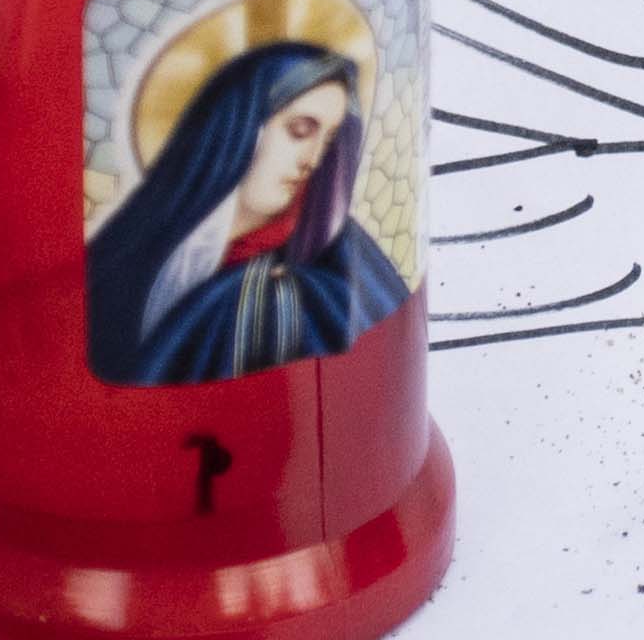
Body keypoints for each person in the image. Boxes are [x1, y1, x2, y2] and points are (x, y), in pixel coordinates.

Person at [84, 36, 412, 385]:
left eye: (329, 141)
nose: (313, 160)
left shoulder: (308, 284)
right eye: (300, 130)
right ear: (239, 127)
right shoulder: (133, 250)